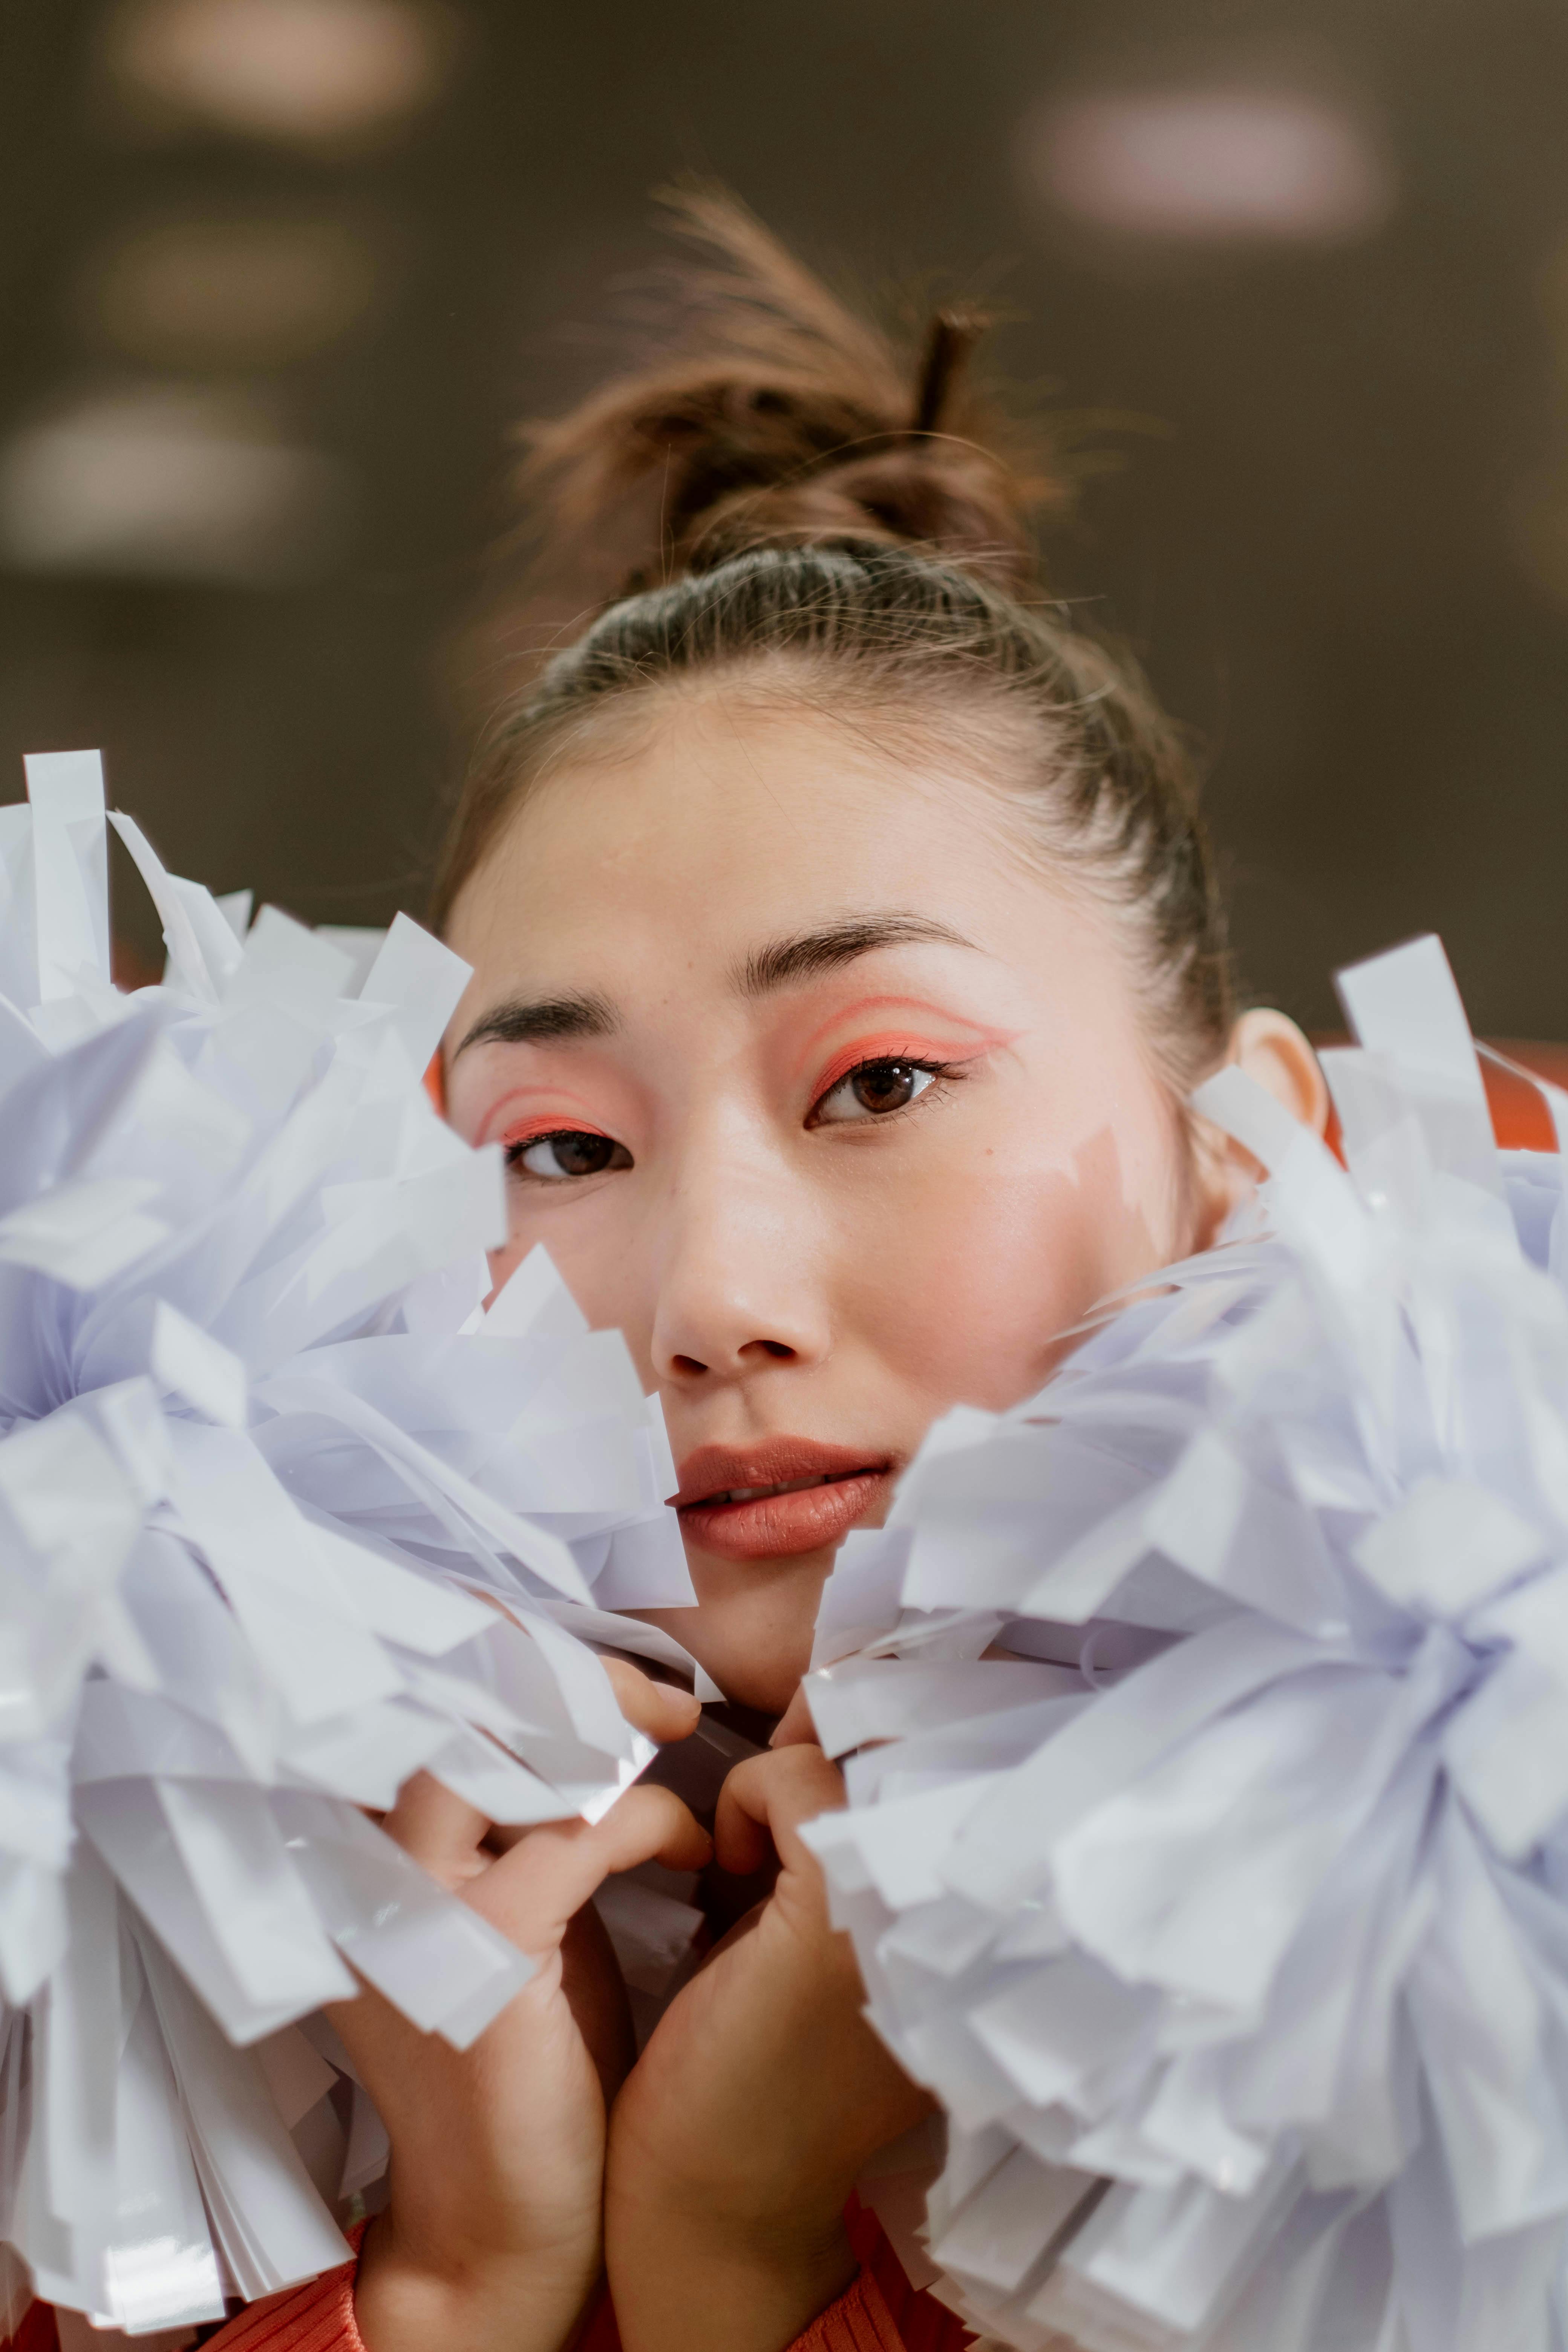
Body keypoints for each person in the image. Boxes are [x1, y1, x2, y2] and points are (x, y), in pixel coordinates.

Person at [9, 193, 1328, 2352]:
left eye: (881, 1082)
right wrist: (458, 2276)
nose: (710, 1297)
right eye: (562, 1146)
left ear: (1245, 1149)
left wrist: (733, 2239)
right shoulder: (131, 1992)